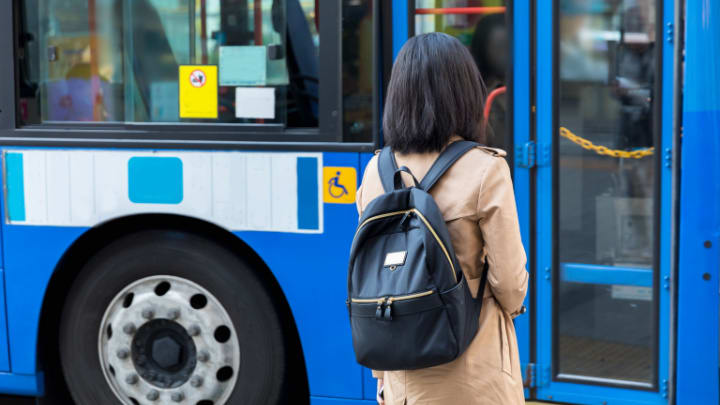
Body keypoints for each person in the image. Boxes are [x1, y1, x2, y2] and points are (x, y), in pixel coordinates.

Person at [356, 32, 529, 405]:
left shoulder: (376, 171)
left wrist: (383, 379)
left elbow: (375, 278)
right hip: (473, 372)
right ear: (466, 93)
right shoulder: (485, 168)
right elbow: (511, 284)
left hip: (400, 373)